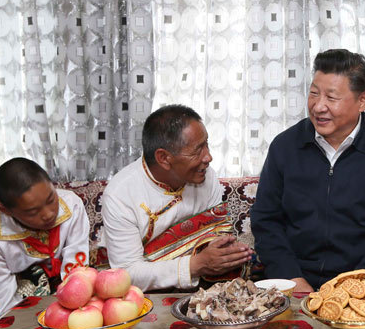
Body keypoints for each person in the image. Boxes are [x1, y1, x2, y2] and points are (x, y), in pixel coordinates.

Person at [251, 49, 365, 293]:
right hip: (294, 283)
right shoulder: (285, 147)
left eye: (331, 97)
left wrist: (355, 288)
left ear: (362, 100)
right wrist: (291, 279)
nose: (319, 106)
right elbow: (266, 221)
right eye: (314, 93)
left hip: (363, 288)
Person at [101, 105, 252, 291]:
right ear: (164, 158)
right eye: (197, 150)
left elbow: (214, 233)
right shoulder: (120, 194)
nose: (208, 157)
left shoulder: (206, 176)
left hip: (202, 287)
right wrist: (195, 265)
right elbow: (127, 274)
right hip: (144, 296)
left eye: (207, 144)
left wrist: (221, 252)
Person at [0, 158, 90, 318]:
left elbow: (77, 271)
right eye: (32, 212)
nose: (48, 214)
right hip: (23, 299)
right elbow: (4, 303)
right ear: (5, 210)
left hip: (69, 288)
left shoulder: (72, 205)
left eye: (51, 200)